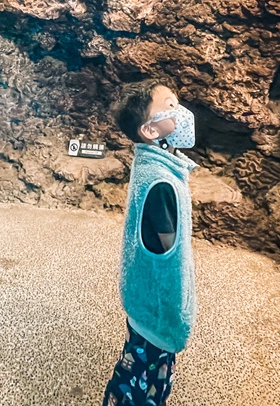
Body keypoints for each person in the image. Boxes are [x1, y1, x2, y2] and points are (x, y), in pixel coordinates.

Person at [103, 79, 198, 406]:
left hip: (143, 304)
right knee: (141, 378)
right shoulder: (160, 182)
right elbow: (165, 246)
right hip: (155, 308)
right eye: (170, 106)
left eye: (177, 101)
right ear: (151, 131)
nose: (181, 111)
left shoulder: (153, 165)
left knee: (143, 363)